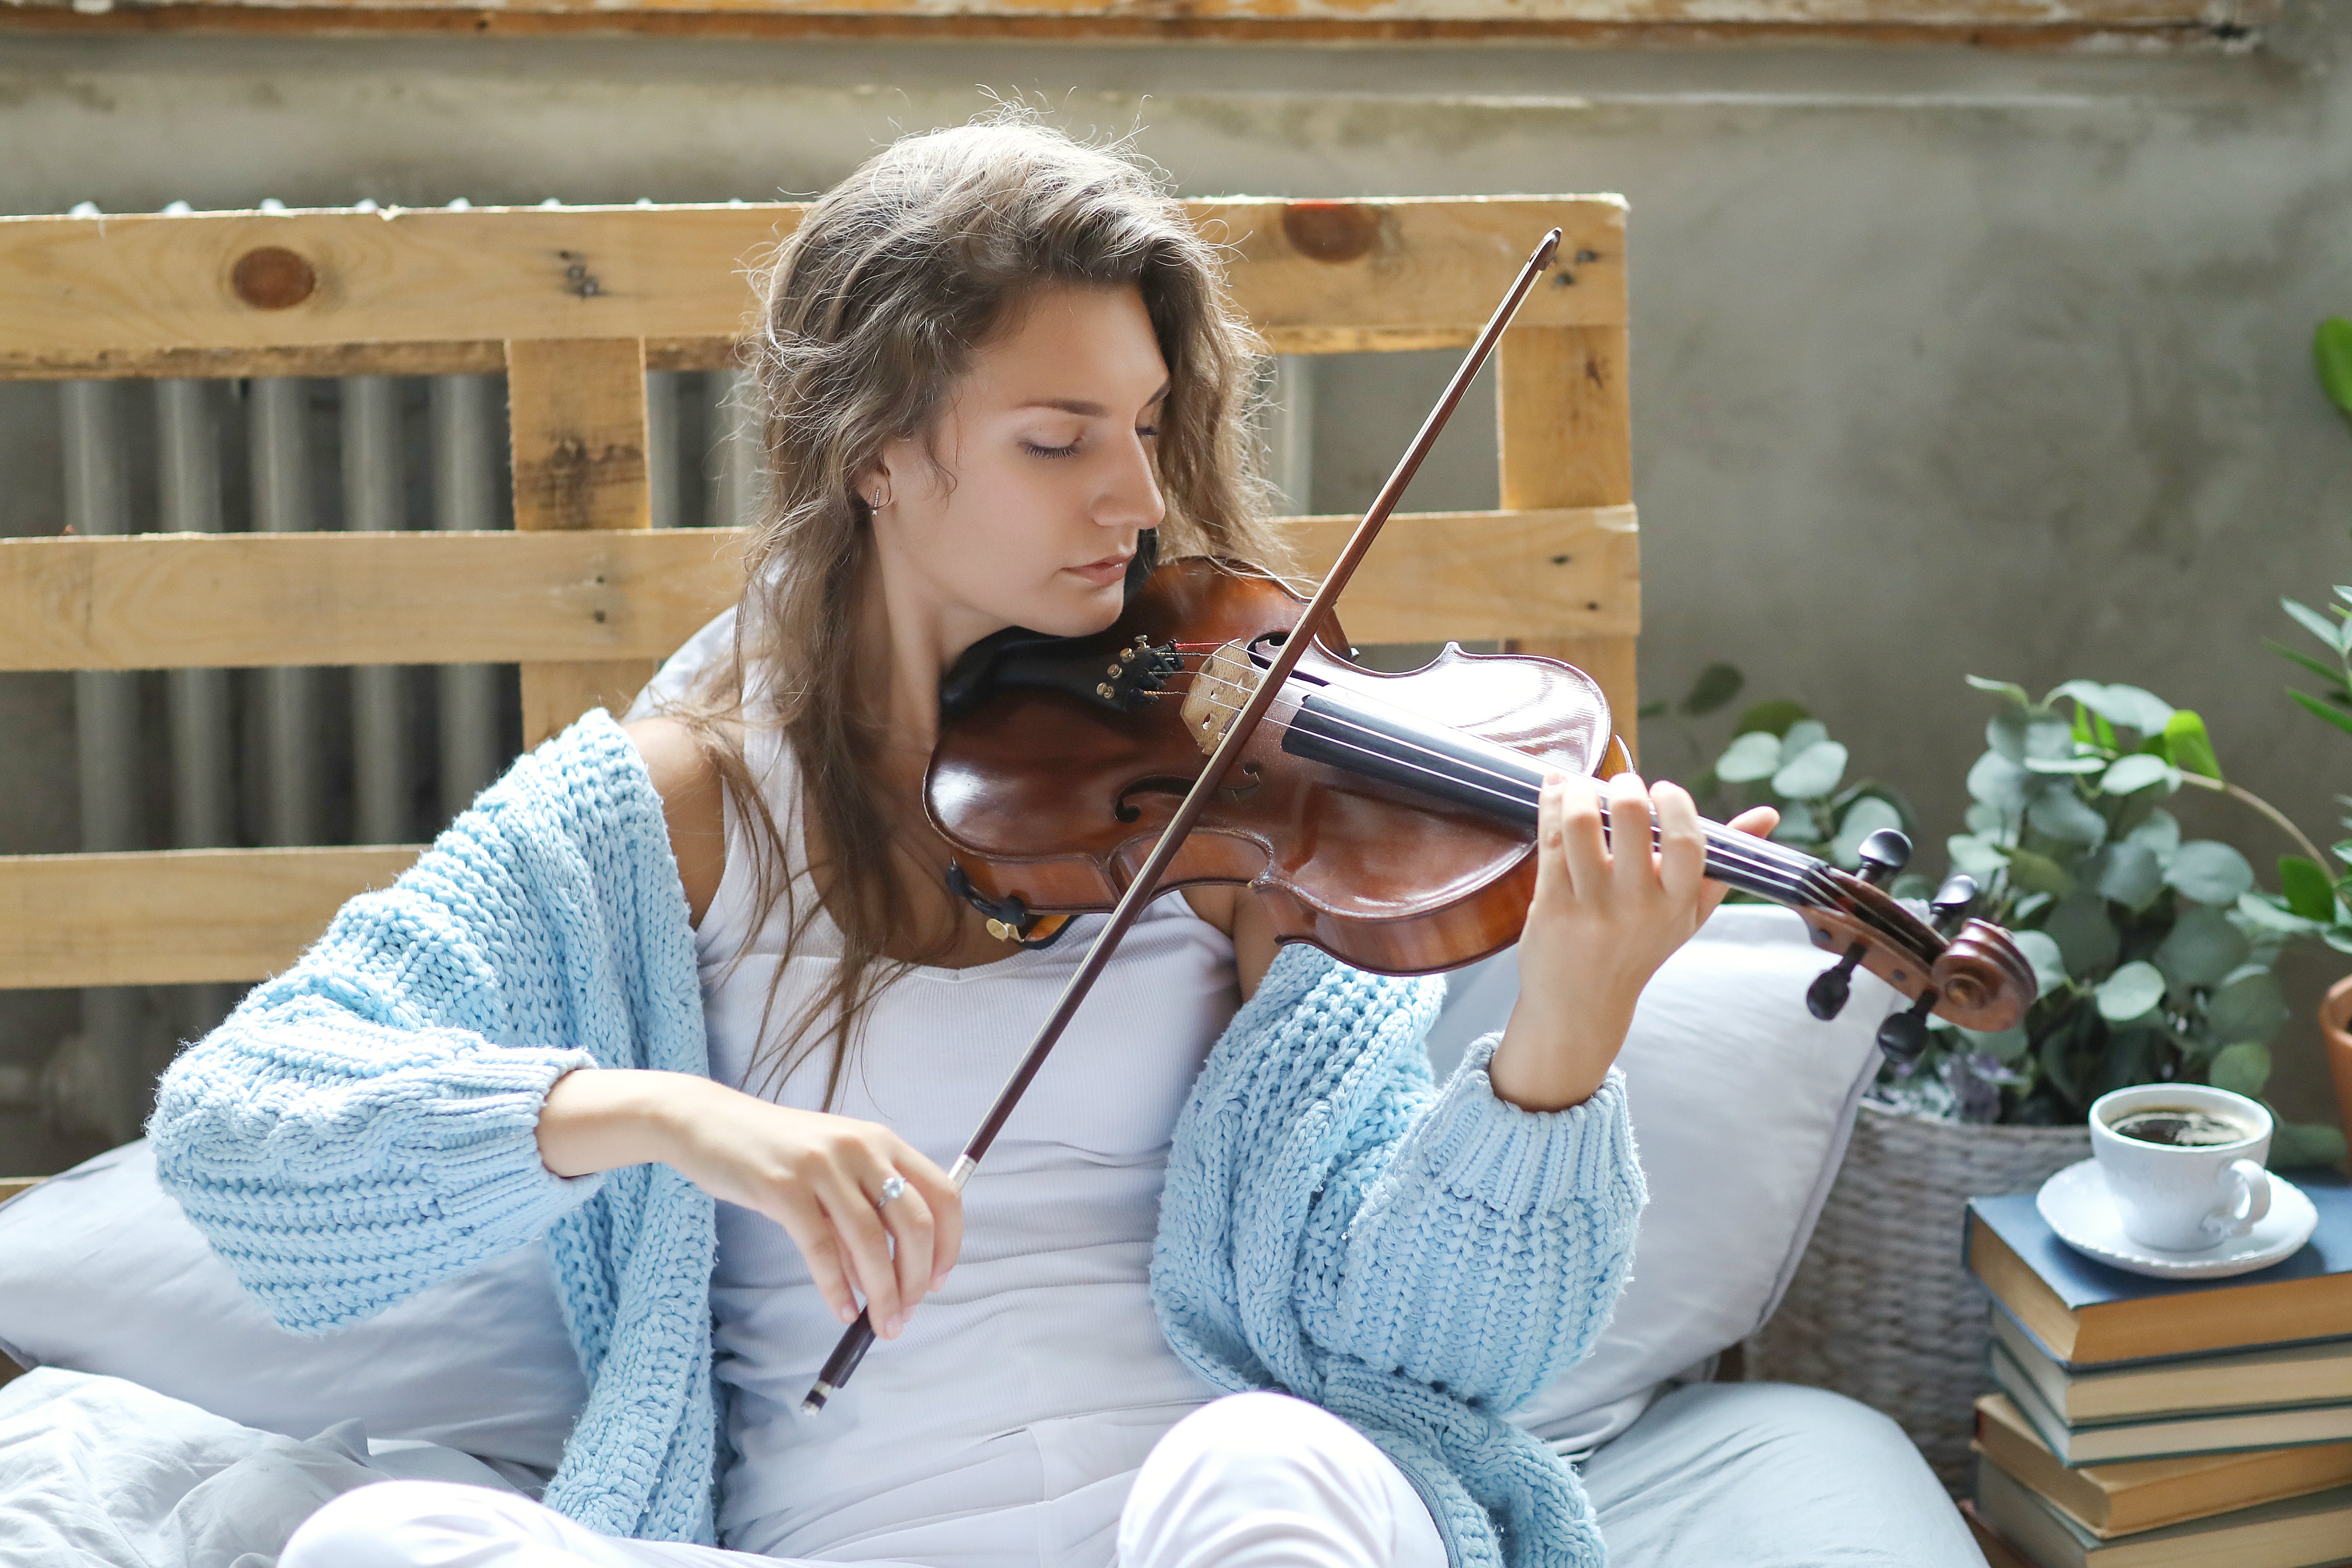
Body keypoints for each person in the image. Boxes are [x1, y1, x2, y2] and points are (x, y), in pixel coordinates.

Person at [148, 116, 1972, 1568]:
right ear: (872, 449)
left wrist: (1560, 1047)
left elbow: (1431, 1362)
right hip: (829, 1540)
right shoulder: (657, 814)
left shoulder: (1245, 816)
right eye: (1056, 439)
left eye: (1152, 430)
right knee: (383, 1539)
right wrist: (677, 1120)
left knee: (1277, 1456)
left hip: (1222, 1520)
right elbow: (246, 1141)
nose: (1138, 497)